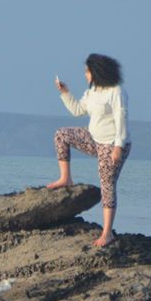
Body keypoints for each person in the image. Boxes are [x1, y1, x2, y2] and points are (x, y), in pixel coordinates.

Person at [48, 53, 132, 247]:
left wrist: (118, 147)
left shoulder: (116, 91)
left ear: (97, 71)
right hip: (94, 139)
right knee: (61, 134)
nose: (85, 75)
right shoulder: (93, 90)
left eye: (87, 71)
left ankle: (107, 233)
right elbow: (77, 110)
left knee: (107, 184)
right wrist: (65, 93)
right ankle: (65, 178)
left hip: (113, 144)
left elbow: (122, 120)